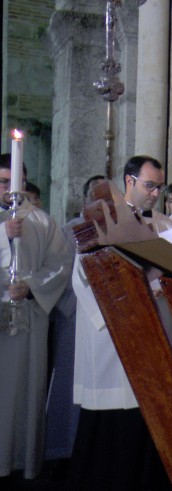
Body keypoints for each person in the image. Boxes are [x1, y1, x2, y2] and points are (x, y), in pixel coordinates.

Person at [68, 156, 172, 490]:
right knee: (111, 417)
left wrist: (163, 288)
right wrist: (120, 309)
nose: (156, 193)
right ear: (129, 181)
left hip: (152, 330)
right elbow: (82, 277)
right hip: (114, 333)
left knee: (146, 412)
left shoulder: (166, 226)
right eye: (149, 185)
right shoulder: (101, 220)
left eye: (160, 187)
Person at [0, 154, 70, 480]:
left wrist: (30, 286)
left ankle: (19, 461)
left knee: (23, 392)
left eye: (14, 183)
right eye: (2, 182)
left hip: (29, 319)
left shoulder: (42, 222)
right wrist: (3, 234)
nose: (9, 189)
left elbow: (61, 266)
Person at [45, 174, 105, 463]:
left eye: (109, 199)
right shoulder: (69, 230)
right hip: (75, 315)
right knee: (69, 381)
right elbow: (59, 271)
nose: (104, 205)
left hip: (107, 320)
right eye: (98, 198)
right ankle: (62, 448)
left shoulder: (115, 230)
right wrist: (73, 307)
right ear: (85, 200)